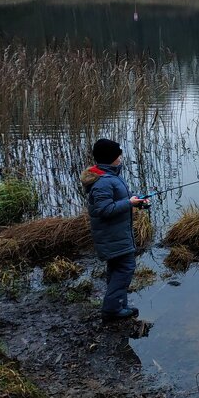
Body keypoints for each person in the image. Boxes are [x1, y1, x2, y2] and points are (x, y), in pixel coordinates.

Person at [80, 138, 147, 323]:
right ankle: (112, 310)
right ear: (111, 158)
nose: (121, 158)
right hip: (113, 237)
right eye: (118, 155)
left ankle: (119, 304)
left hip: (117, 235)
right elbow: (104, 210)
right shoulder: (103, 182)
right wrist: (129, 203)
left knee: (117, 269)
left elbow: (115, 203)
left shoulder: (109, 176)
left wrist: (136, 203)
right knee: (125, 268)